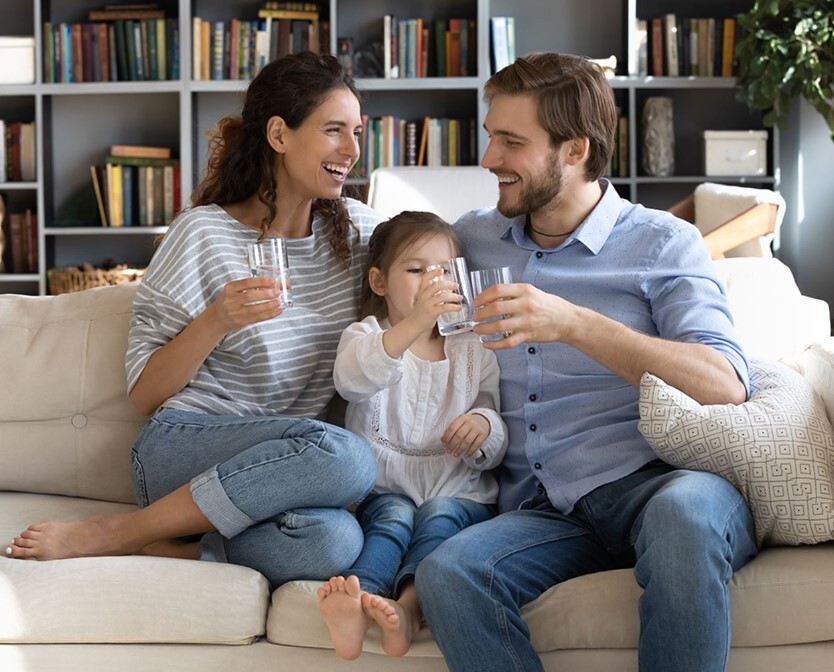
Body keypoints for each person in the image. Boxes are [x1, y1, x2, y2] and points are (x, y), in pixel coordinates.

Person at [414, 52, 759, 672]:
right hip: (548, 509)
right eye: (491, 136)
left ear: (575, 150)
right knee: (450, 571)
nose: (488, 158)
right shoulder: (472, 240)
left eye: (511, 141)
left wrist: (573, 323)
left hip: (662, 485)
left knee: (683, 517)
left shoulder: (661, 243)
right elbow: (388, 265)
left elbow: (724, 384)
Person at [5, 52, 387, 588]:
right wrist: (216, 319)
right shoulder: (203, 233)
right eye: (333, 130)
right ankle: (122, 531)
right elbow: (145, 393)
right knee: (348, 458)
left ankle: (173, 546)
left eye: (356, 133)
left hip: (284, 472)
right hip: (185, 445)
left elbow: (440, 251)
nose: (352, 150)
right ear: (279, 134)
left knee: (334, 541)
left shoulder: (360, 234)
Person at [316, 211, 508, 660]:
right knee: (392, 518)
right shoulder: (368, 336)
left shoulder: (473, 347)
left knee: (439, 515)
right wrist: (415, 323)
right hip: (387, 491)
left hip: (460, 494)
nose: (433, 283)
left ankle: (409, 607)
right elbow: (351, 380)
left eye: (444, 271)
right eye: (417, 270)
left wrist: (484, 427)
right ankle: (361, 599)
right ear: (379, 282)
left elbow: (495, 420)